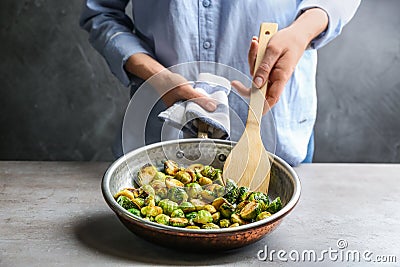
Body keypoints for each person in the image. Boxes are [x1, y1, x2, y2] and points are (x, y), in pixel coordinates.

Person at [80, 0, 360, 166]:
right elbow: (102, 12)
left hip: (275, 134)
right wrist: (158, 77)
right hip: (161, 140)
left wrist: (303, 31)